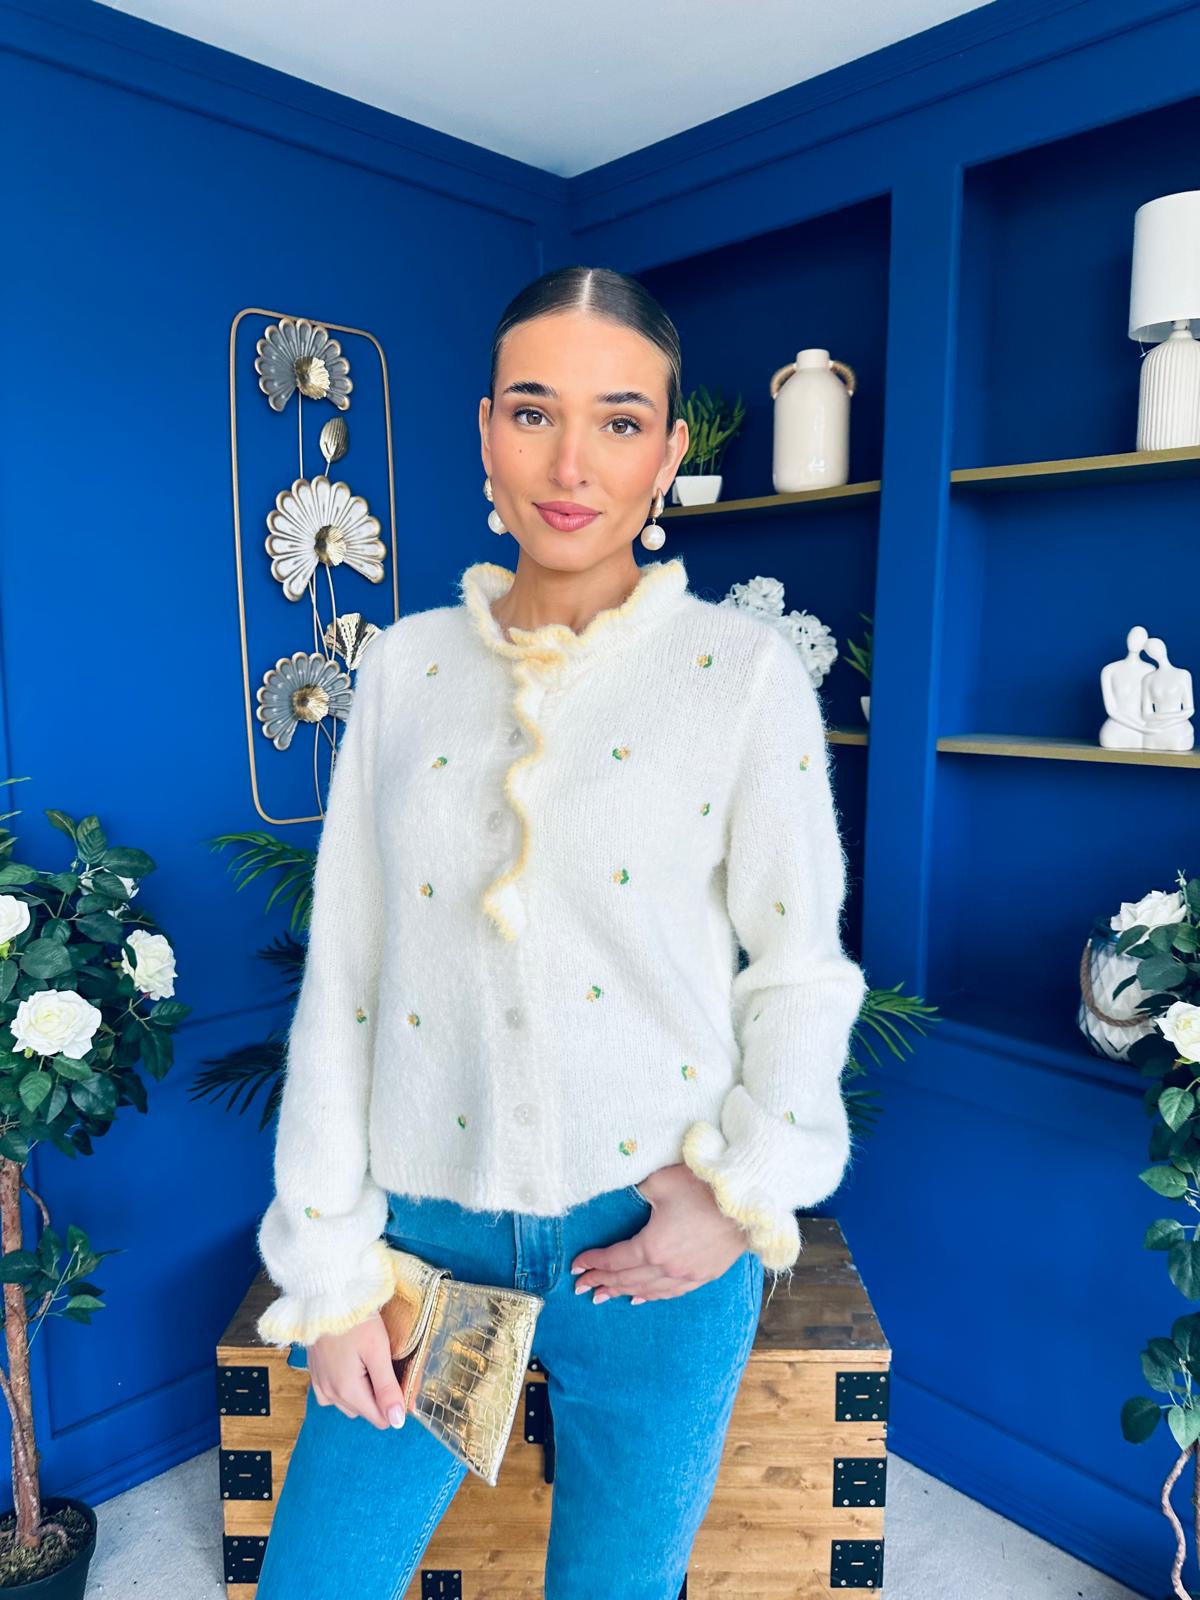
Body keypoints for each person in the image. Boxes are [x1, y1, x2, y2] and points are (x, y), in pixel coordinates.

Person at [252, 264, 868, 1600]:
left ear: (668, 451)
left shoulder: (741, 675)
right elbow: (345, 978)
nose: (572, 463)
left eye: (620, 420)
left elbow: (798, 970)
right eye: (534, 412)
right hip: (424, 1248)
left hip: (656, 1250)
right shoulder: (405, 670)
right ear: (487, 432)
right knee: (318, 1582)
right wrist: (332, 1267)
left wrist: (742, 1193)